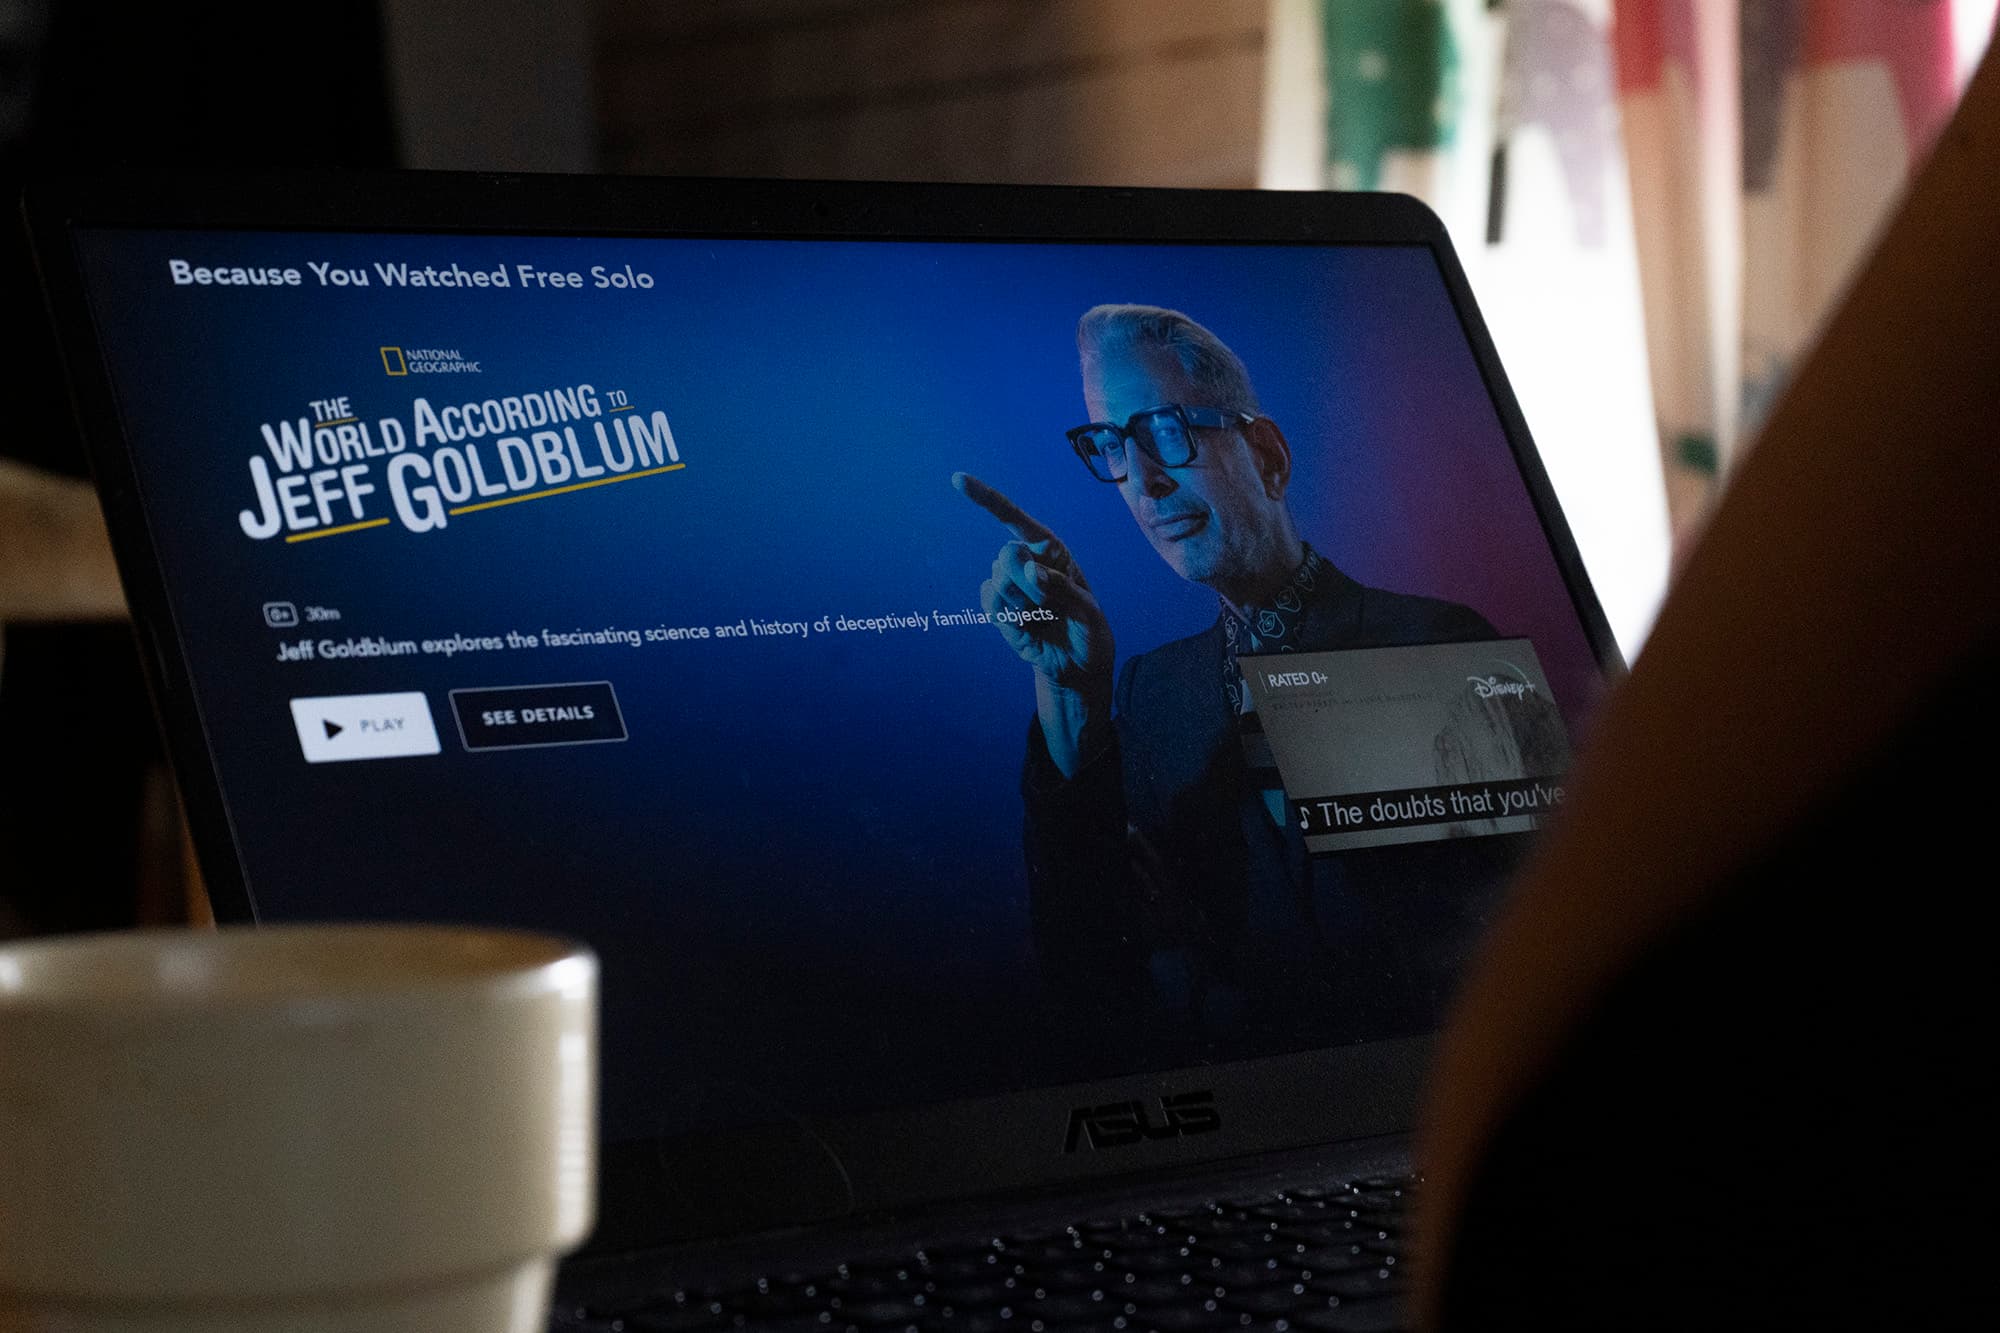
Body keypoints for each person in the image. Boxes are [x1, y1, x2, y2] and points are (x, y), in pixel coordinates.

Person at [956, 304, 1498, 1033]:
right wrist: (1070, 693)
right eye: (1114, 446)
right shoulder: (1153, 695)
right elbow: (1092, 985)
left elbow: (1507, 956)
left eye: (1164, 430)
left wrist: (1208, 957)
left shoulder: (1437, 646)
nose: (1144, 482)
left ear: (1266, 455)